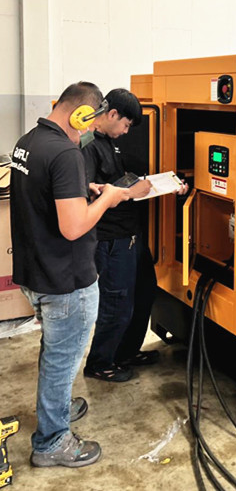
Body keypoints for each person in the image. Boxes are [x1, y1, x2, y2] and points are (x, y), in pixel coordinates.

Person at [9, 82, 131, 468]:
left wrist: (83, 189)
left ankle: (55, 409)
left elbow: (46, 198)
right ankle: (51, 442)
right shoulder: (65, 152)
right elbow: (73, 228)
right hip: (67, 280)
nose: (88, 129)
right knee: (63, 359)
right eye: (89, 121)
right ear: (82, 114)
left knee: (56, 350)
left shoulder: (28, 141)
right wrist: (110, 197)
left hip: (36, 271)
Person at [82, 88, 188, 383]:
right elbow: (86, 192)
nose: (126, 131)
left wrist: (155, 185)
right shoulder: (88, 146)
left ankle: (126, 352)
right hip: (111, 239)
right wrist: (131, 192)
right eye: (126, 124)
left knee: (143, 293)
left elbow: (115, 182)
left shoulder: (111, 144)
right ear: (112, 114)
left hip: (131, 235)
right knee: (117, 302)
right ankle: (101, 362)